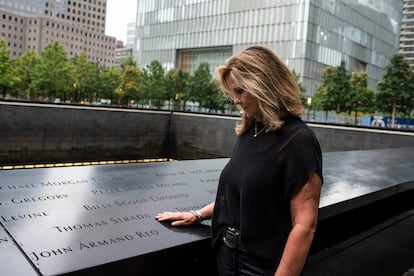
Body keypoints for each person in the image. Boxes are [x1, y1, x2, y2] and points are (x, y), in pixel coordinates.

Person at [155, 45, 323, 276]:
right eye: (233, 92)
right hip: (226, 257)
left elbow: (305, 226)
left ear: (264, 86)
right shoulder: (251, 130)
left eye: (240, 91)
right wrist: (197, 214)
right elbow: (241, 196)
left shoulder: (298, 140)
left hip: (262, 268)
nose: (235, 100)